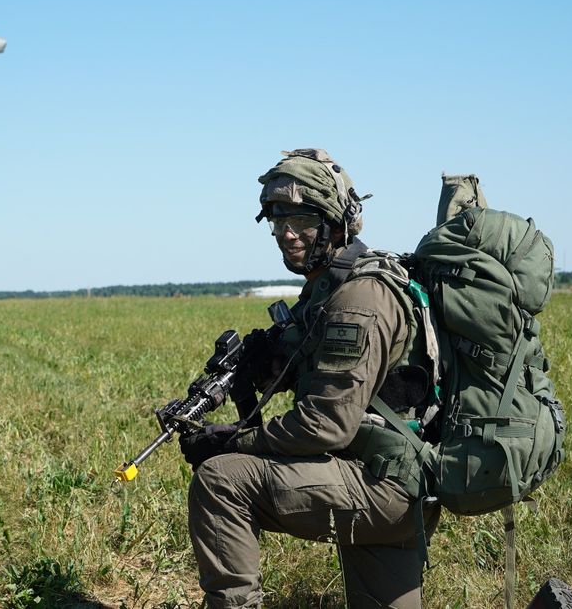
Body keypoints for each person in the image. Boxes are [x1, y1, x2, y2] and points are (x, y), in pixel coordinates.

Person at [179, 148, 439, 608]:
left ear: (336, 223)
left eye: (301, 220)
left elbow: (325, 424)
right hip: (395, 477)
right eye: (278, 221)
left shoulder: (358, 299)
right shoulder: (334, 283)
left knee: (220, 480)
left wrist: (233, 441)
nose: (286, 234)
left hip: (382, 486)